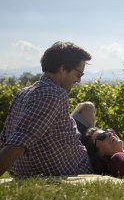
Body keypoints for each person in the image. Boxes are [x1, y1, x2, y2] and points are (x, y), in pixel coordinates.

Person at [0, 41, 95, 177]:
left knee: (87, 108)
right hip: (76, 167)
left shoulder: (23, 93)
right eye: (79, 74)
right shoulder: (54, 94)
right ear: (63, 69)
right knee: (112, 148)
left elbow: (5, 138)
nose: (79, 80)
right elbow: (18, 143)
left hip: (55, 152)